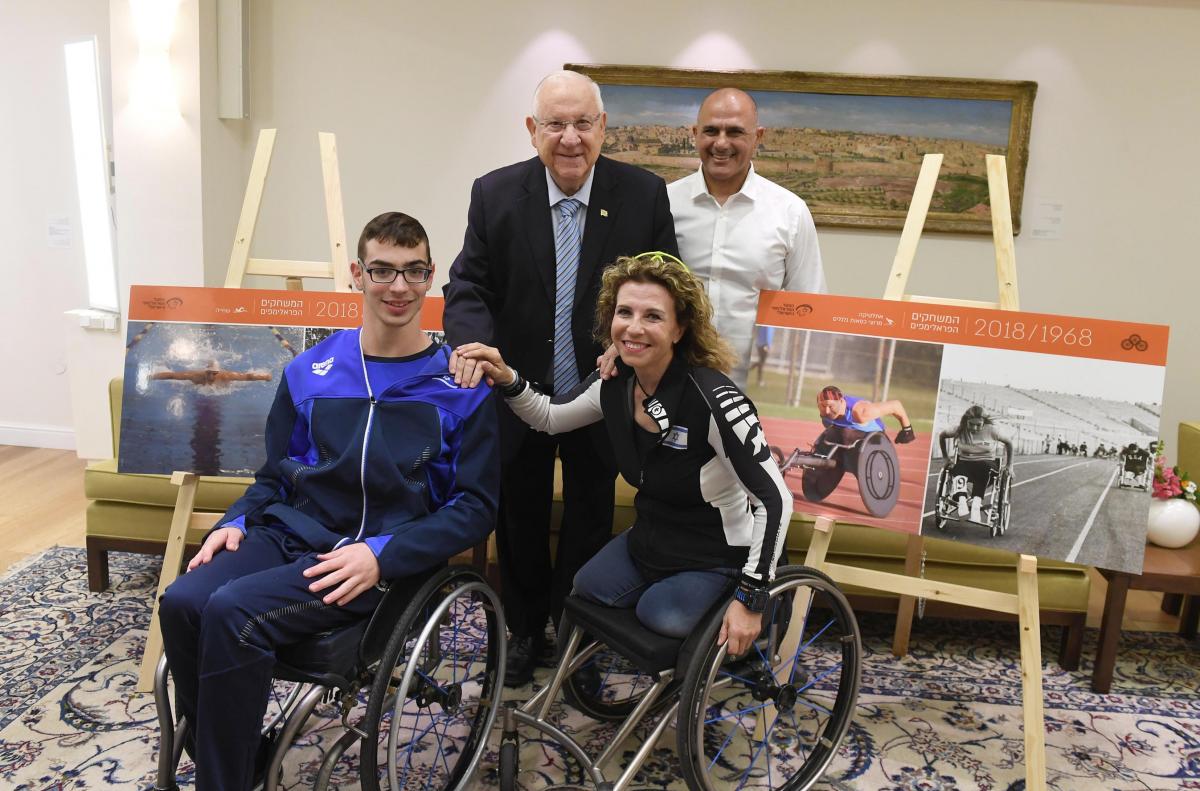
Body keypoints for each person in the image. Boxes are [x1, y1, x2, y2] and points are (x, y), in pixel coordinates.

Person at [158, 212, 499, 791]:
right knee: (183, 600)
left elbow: (475, 507)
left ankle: (224, 777)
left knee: (232, 611)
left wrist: (382, 556)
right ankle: (232, 750)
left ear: (431, 277)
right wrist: (235, 518)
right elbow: (275, 474)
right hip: (293, 532)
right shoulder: (309, 371)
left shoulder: (460, 387)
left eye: (413, 272)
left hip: (376, 558)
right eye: (383, 270)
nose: (398, 286)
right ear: (356, 275)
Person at [442, 70, 678, 686]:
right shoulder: (494, 194)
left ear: (603, 128)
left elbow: (664, 287)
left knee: (590, 516)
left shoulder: (644, 194)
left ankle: (577, 638)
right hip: (515, 388)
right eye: (555, 124)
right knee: (517, 514)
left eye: (583, 124)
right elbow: (468, 285)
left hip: (602, 390)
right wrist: (473, 343)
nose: (570, 138)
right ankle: (523, 631)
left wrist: (626, 348)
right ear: (532, 131)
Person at [456, 252, 791, 655]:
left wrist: (752, 598)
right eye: (624, 312)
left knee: (660, 614)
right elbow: (548, 416)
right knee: (587, 587)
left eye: (653, 316)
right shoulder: (613, 385)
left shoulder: (714, 399)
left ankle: (738, 636)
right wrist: (506, 376)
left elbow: (775, 499)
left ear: (680, 329)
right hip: (655, 539)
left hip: (718, 553)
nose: (634, 327)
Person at [667, 87, 826, 388]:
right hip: (671, 384)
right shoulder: (665, 204)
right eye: (711, 131)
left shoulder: (790, 212)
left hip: (751, 392)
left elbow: (810, 308)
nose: (721, 143)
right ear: (694, 133)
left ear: (758, 137)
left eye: (735, 132)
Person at [938, 405, 1014, 523]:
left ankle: (976, 504)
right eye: (971, 424)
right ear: (966, 422)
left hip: (987, 464)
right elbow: (942, 436)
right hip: (965, 463)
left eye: (978, 425)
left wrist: (1009, 466)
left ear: (984, 422)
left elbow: (1009, 443)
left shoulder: (992, 430)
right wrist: (945, 458)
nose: (974, 428)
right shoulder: (959, 430)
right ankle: (962, 501)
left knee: (983, 467)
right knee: (958, 467)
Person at [815, 385, 915, 445]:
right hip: (847, 433)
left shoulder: (861, 412)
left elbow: (895, 405)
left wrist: (907, 430)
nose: (827, 411)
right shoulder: (824, 408)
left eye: (830, 406)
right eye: (823, 406)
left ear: (841, 401)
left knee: (845, 433)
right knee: (830, 433)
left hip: (874, 438)